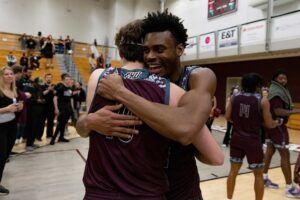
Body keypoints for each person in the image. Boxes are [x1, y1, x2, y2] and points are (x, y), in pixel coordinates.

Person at [76, 19, 223, 199]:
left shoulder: (197, 78)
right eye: (146, 50)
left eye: (159, 49)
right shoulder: (164, 88)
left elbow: (188, 131)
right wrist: (90, 121)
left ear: (179, 49)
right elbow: (215, 156)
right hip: (149, 187)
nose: (150, 56)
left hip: (179, 186)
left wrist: (121, 93)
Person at [225, 73, 282, 200]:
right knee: (258, 175)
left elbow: (228, 117)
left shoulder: (234, 97)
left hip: (236, 139)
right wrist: (278, 122)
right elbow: (268, 124)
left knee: (233, 172)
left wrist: (241, 122)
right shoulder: (262, 100)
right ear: (258, 86)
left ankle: (229, 198)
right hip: (253, 141)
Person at [263, 69, 300, 198]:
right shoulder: (277, 92)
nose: (283, 80)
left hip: (270, 126)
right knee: (285, 155)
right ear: (275, 79)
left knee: (269, 151)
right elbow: (278, 111)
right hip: (278, 126)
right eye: (280, 78)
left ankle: (264, 177)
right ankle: (289, 188)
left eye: (285, 78)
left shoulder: (274, 89)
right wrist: (297, 111)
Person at [0, 66, 23, 195]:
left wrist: (20, 107)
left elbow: (18, 104)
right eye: (6, 74)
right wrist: (6, 109)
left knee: (4, 156)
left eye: (11, 74)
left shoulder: (14, 90)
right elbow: (6, 109)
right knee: (1, 155)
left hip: (12, 126)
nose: (9, 76)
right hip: (0, 127)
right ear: (1, 76)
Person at [50, 73, 73, 145]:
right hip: (61, 108)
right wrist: (56, 109)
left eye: (69, 79)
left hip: (68, 109)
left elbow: (70, 99)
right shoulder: (61, 88)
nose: (68, 80)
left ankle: (61, 137)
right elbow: (55, 98)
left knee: (64, 123)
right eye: (66, 79)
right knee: (60, 124)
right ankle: (53, 139)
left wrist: (71, 108)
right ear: (63, 80)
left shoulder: (69, 88)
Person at [42, 74, 55, 138]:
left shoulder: (54, 86)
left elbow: (56, 94)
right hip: (43, 106)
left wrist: (53, 90)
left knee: (51, 121)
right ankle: (39, 136)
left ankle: (49, 135)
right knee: (42, 121)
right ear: (45, 78)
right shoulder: (42, 85)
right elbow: (42, 94)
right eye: (47, 77)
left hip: (51, 106)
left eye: (50, 77)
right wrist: (48, 89)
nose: (49, 79)